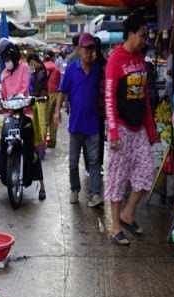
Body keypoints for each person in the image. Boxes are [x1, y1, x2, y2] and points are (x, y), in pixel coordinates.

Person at [104, 12, 158, 245]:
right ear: (131, 34)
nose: (145, 40)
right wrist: (114, 132)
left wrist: (151, 130)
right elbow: (109, 99)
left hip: (138, 130)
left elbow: (144, 97)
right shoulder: (115, 59)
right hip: (121, 129)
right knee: (117, 178)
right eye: (143, 35)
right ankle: (116, 226)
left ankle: (128, 213)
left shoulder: (139, 60)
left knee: (146, 172)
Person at [55, 32, 105, 208]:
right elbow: (62, 90)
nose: (89, 52)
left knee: (94, 162)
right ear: (79, 49)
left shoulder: (97, 70)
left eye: (92, 49)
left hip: (93, 124)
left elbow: (102, 91)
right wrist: (56, 112)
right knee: (73, 162)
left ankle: (94, 194)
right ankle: (75, 189)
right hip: (76, 124)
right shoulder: (71, 69)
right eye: (86, 49)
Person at [0, 43, 46, 201]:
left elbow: (24, 89)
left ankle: (42, 185)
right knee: (0, 145)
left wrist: (18, 100)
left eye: (8, 59)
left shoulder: (24, 68)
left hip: (25, 111)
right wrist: (1, 104)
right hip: (9, 113)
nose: (7, 62)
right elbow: (3, 95)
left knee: (32, 148)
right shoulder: (3, 74)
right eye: (4, 59)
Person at [43, 52, 62, 149]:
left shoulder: (42, 68)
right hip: (55, 94)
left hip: (45, 95)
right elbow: (60, 84)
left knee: (45, 119)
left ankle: (43, 142)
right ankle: (52, 141)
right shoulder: (57, 69)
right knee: (53, 120)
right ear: (53, 57)